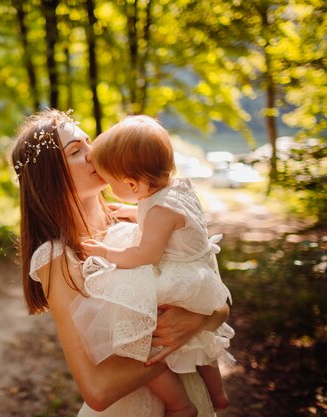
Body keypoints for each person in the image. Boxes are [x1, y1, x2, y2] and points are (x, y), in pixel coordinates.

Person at [11, 108, 230, 417]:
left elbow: (211, 291)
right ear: (51, 179)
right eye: (77, 151)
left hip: (194, 390)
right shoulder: (57, 257)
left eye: (89, 141)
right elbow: (98, 391)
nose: (93, 152)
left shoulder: (142, 218)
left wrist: (200, 321)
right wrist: (179, 341)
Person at [76, 115, 234, 415]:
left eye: (110, 182)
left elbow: (144, 254)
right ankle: (217, 392)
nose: (107, 187)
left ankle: (180, 404)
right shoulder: (172, 191)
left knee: (142, 341)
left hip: (180, 275)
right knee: (201, 338)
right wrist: (129, 210)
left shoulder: (160, 210)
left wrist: (107, 253)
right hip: (199, 272)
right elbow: (158, 217)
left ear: (132, 184)